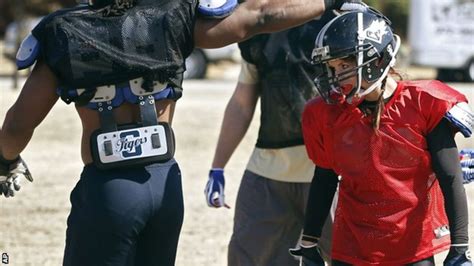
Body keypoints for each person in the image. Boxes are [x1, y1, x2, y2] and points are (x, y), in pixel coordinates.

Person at [0, 0, 368, 265]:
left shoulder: (64, 33)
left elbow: (19, 124)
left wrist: (7, 160)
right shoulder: (171, 15)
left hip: (107, 189)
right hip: (165, 187)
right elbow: (259, 15)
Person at [292, 9, 473, 266]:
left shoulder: (424, 103)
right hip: (352, 247)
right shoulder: (326, 114)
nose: (336, 76)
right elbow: (325, 177)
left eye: (344, 65)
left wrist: (460, 247)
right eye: (332, 67)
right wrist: (309, 241)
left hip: (412, 249)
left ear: (377, 60)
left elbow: (450, 177)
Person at [204, 11, 337, 266]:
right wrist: (217, 167)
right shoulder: (263, 26)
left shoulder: (340, 17)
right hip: (268, 171)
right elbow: (242, 103)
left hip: (333, 173)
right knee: (248, 259)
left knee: (354, 258)